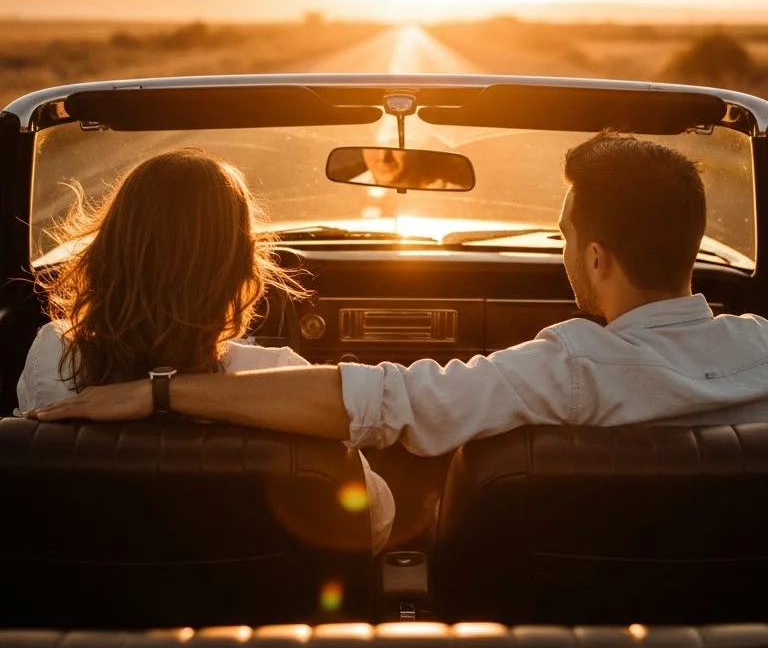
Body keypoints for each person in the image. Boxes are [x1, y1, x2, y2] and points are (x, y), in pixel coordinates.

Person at [29, 133, 768, 453]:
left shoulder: (570, 369)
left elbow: (395, 405)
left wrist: (163, 394)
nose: (562, 256)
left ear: (598, 258)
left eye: (564, 239)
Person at [17, 149, 394, 550]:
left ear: (110, 251)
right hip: (261, 609)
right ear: (240, 268)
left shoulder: (52, 356)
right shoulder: (280, 375)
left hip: (93, 605)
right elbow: (375, 522)